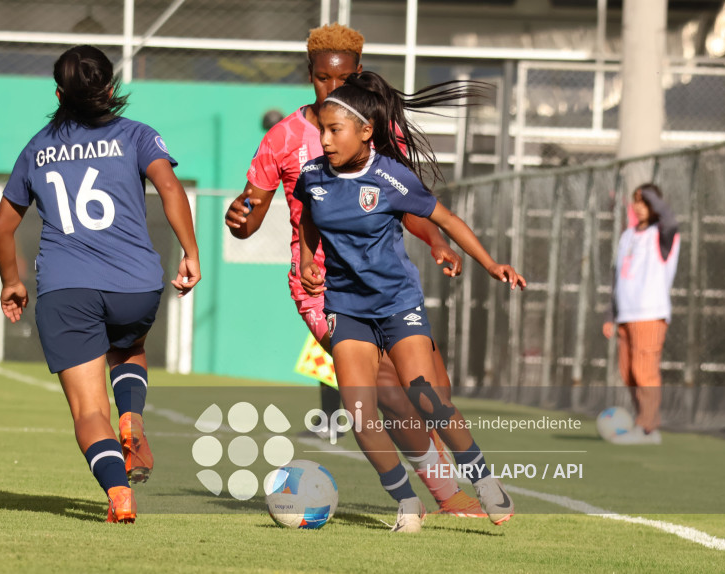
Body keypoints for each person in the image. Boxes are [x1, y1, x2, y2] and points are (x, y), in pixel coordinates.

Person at [224, 23, 484, 517]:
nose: (331, 89)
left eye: (341, 79)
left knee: (431, 392)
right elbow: (250, 216)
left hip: (385, 280)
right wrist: (237, 219)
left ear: (358, 75)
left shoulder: (377, 130)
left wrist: (436, 241)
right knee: (388, 393)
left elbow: (409, 203)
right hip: (322, 287)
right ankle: (448, 496)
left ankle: (448, 477)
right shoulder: (281, 138)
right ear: (310, 75)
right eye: (322, 79)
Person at [295, 71, 526, 532]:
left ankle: (482, 482)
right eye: (320, 128)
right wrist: (307, 261)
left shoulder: (391, 177)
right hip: (347, 308)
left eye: (333, 129)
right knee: (360, 415)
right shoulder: (312, 177)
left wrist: (490, 263)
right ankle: (407, 503)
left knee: (428, 400)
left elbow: (448, 219)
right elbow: (308, 223)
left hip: (398, 304)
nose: (323, 139)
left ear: (366, 131)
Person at [0, 45, 201, 523]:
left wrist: (11, 281)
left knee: (88, 412)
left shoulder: (37, 147)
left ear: (59, 94)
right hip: (135, 285)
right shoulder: (138, 135)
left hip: (65, 291)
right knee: (129, 347)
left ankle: (118, 494)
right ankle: (133, 416)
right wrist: (190, 252)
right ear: (110, 89)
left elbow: (1, 229)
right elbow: (170, 188)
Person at [602, 183, 679, 445]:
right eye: (636, 200)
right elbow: (616, 278)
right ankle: (641, 422)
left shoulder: (663, 233)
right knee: (629, 374)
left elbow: (669, 218)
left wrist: (650, 195)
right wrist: (609, 315)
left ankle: (647, 428)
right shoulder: (627, 236)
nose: (639, 205)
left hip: (650, 313)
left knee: (645, 372)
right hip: (626, 314)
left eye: (644, 201)